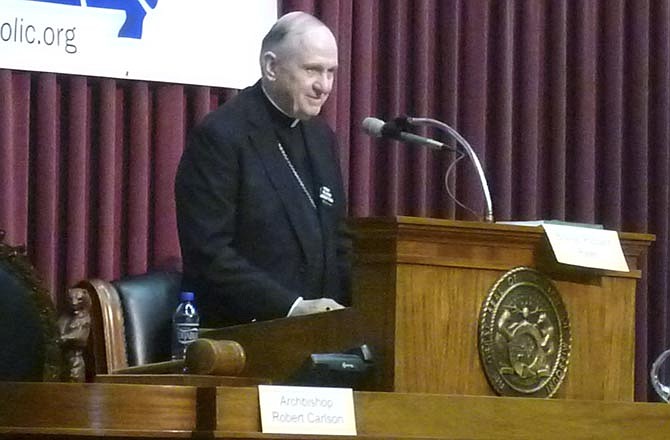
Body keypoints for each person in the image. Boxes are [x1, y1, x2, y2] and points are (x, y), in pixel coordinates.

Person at [175, 11, 352, 327]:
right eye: (312, 70)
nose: (323, 86)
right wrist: (292, 307)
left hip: (323, 333)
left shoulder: (321, 137)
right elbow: (209, 254)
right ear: (271, 66)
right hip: (245, 335)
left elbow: (340, 242)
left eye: (331, 72)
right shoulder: (222, 135)